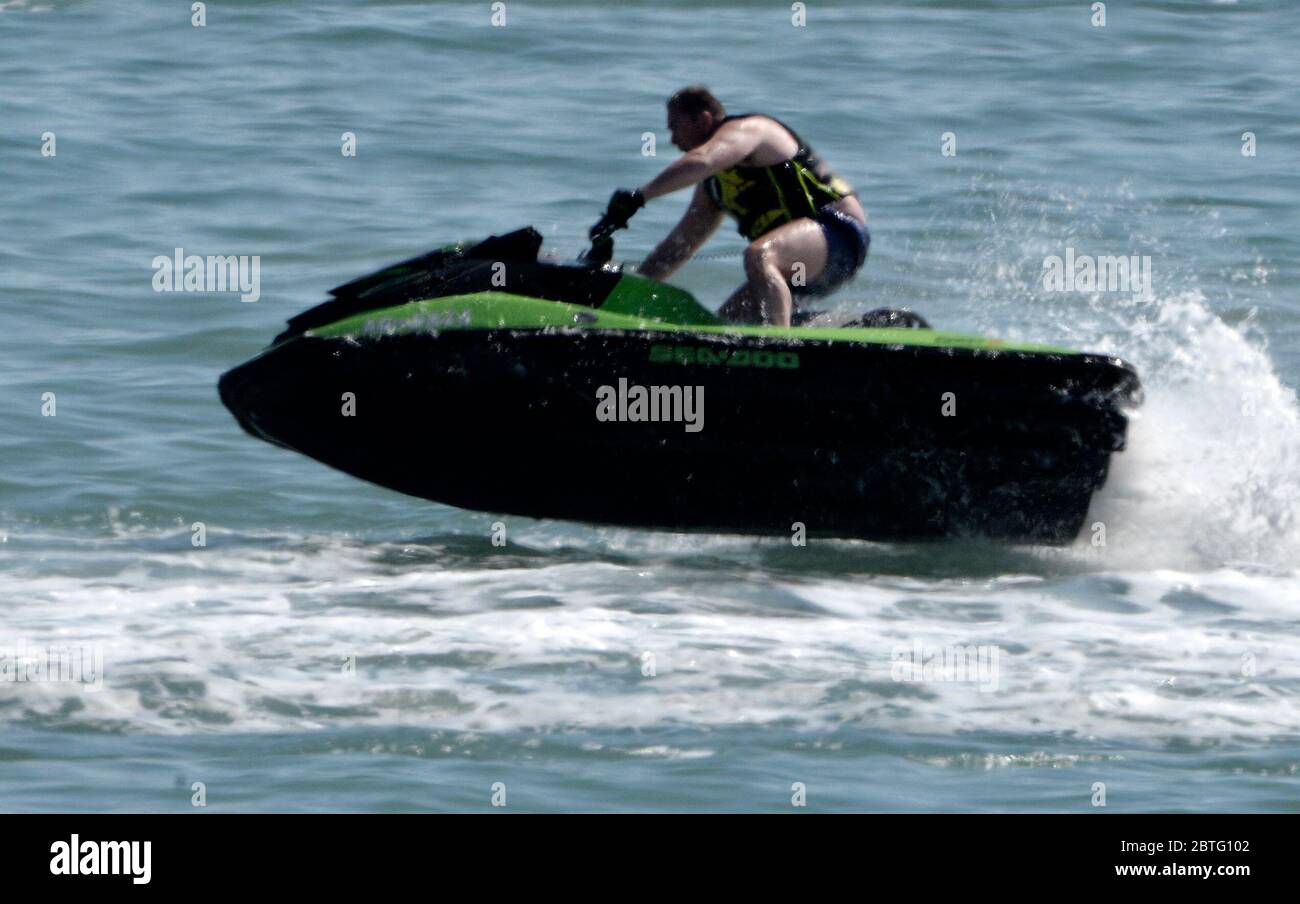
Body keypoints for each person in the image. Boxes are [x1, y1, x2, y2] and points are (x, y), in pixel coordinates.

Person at [589, 85, 869, 327]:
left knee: (759, 255)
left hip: (839, 236)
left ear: (703, 119)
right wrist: (622, 294)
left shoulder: (752, 130)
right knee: (722, 326)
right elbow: (677, 248)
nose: (673, 140)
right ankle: (836, 328)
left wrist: (639, 197)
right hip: (796, 269)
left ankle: (780, 348)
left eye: (676, 127)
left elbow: (703, 160)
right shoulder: (714, 187)